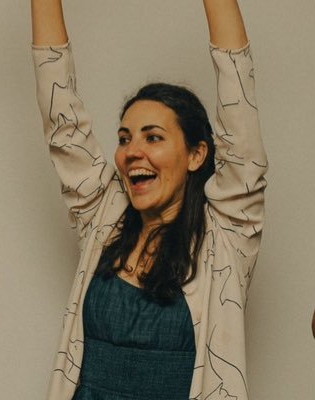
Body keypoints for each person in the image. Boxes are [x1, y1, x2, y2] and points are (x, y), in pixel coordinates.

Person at [31, 1, 268, 399]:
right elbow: (63, 123)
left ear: (197, 155)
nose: (132, 152)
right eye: (125, 139)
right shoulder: (103, 218)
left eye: (153, 137)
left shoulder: (226, 238)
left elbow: (240, 117)